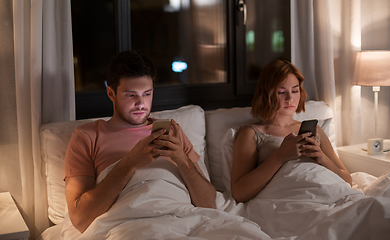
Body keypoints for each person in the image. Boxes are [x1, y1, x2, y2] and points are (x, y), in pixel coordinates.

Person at [64, 50, 216, 233]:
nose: (141, 103)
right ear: (111, 94)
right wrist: (131, 162)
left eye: (147, 94)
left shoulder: (172, 131)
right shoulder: (87, 137)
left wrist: (182, 159)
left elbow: (209, 204)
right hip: (129, 226)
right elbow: (81, 220)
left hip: (182, 220)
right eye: (131, 95)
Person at [231, 60, 352, 203]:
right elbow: (239, 193)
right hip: (293, 200)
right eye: (281, 92)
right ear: (266, 94)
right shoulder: (251, 133)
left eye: (295, 90)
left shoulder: (315, 130)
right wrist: (280, 156)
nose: (290, 98)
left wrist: (322, 158)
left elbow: (348, 180)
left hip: (330, 193)